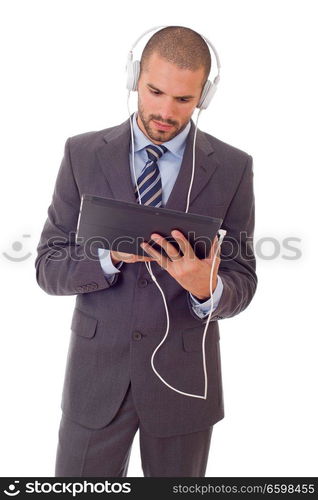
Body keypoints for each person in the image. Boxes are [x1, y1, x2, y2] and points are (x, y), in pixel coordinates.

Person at [35, 26, 257, 477]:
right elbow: (47, 265)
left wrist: (207, 288)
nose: (165, 111)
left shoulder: (233, 168)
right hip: (95, 381)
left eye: (183, 99)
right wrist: (108, 258)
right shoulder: (82, 154)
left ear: (204, 97)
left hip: (184, 384)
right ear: (135, 77)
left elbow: (244, 278)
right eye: (155, 91)